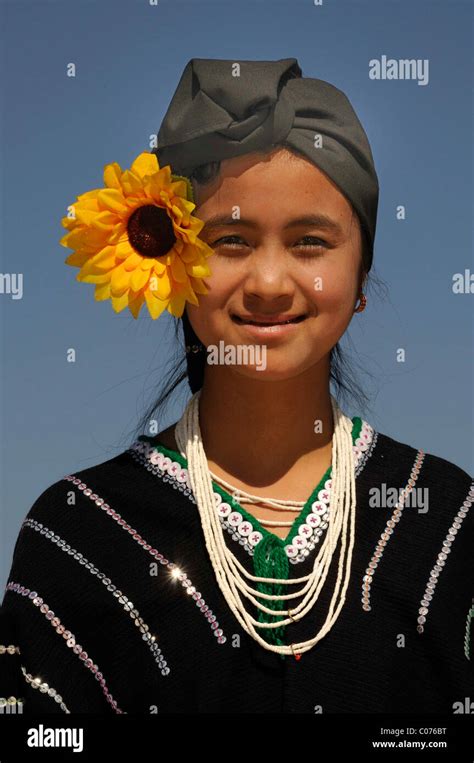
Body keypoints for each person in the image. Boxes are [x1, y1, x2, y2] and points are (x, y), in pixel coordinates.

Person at [0, 58, 472, 715]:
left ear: (360, 277)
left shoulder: (446, 519)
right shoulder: (79, 535)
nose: (270, 282)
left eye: (311, 241)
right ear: (171, 262)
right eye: (231, 239)